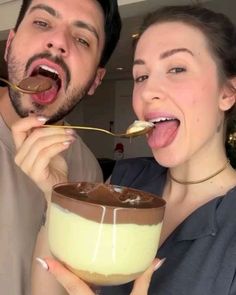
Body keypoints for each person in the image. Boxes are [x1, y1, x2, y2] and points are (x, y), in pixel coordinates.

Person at [20, 4, 236, 295]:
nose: (147, 92)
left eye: (176, 68)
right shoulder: (124, 183)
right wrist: (55, 195)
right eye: (141, 76)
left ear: (227, 93)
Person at [0, 0, 121, 294]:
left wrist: (59, 200)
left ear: (95, 80)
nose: (58, 42)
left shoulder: (88, 174)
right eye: (42, 22)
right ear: (10, 45)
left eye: (82, 39)